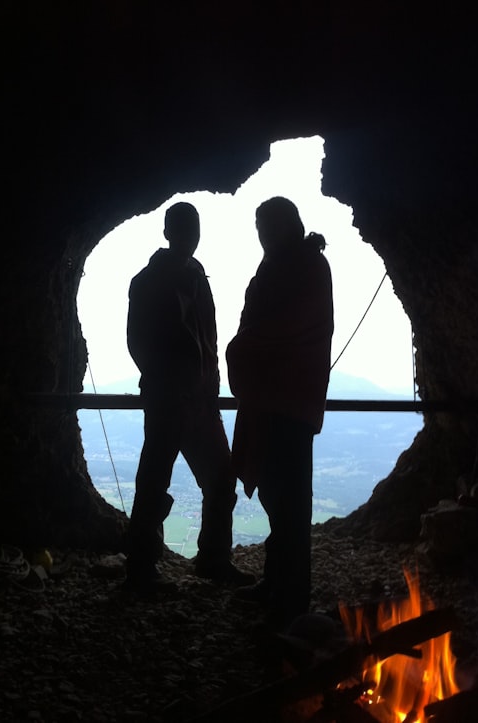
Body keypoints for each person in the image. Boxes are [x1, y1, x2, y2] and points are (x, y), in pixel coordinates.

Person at [123, 201, 254, 593]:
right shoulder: (150, 281)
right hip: (172, 399)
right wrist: (171, 382)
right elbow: (138, 344)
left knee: (216, 478)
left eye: (193, 229)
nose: (190, 237)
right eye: (184, 229)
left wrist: (206, 383)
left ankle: (206, 560)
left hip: (195, 399)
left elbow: (201, 338)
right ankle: (146, 570)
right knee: (156, 483)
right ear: (168, 233)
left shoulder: (194, 278)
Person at [226, 196, 334, 628]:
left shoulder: (307, 267)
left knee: (290, 502)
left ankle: (291, 601)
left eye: (267, 226)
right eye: (259, 227)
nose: (262, 234)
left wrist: (242, 346)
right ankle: (275, 583)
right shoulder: (282, 266)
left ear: (287, 226)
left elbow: (290, 324)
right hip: (274, 398)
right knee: (276, 497)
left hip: (288, 399)